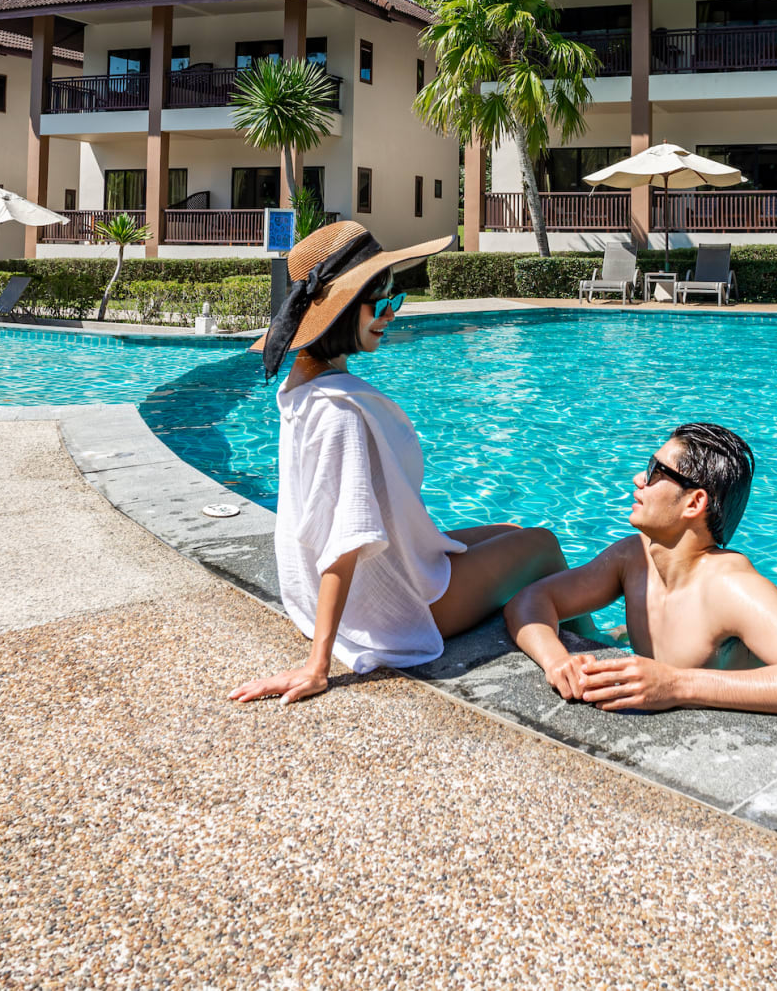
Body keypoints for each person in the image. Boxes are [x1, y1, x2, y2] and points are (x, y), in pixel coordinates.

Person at [227, 221, 566, 707]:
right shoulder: (340, 412)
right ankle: (595, 642)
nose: (390, 314)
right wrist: (317, 665)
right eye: (379, 303)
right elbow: (345, 538)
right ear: (342, 308)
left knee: (511, 530)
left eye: (395, 299)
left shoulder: (301, 386)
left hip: (362, 584)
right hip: (396, 610)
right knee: (544, 545)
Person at [505, 423, 777, 719]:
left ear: (694, 502)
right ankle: (617, 635)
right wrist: (557, 662)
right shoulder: (633, 558)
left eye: (655, 471)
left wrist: (678, 684)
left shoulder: (730, 587)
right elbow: (532, 599)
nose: (639, 478)